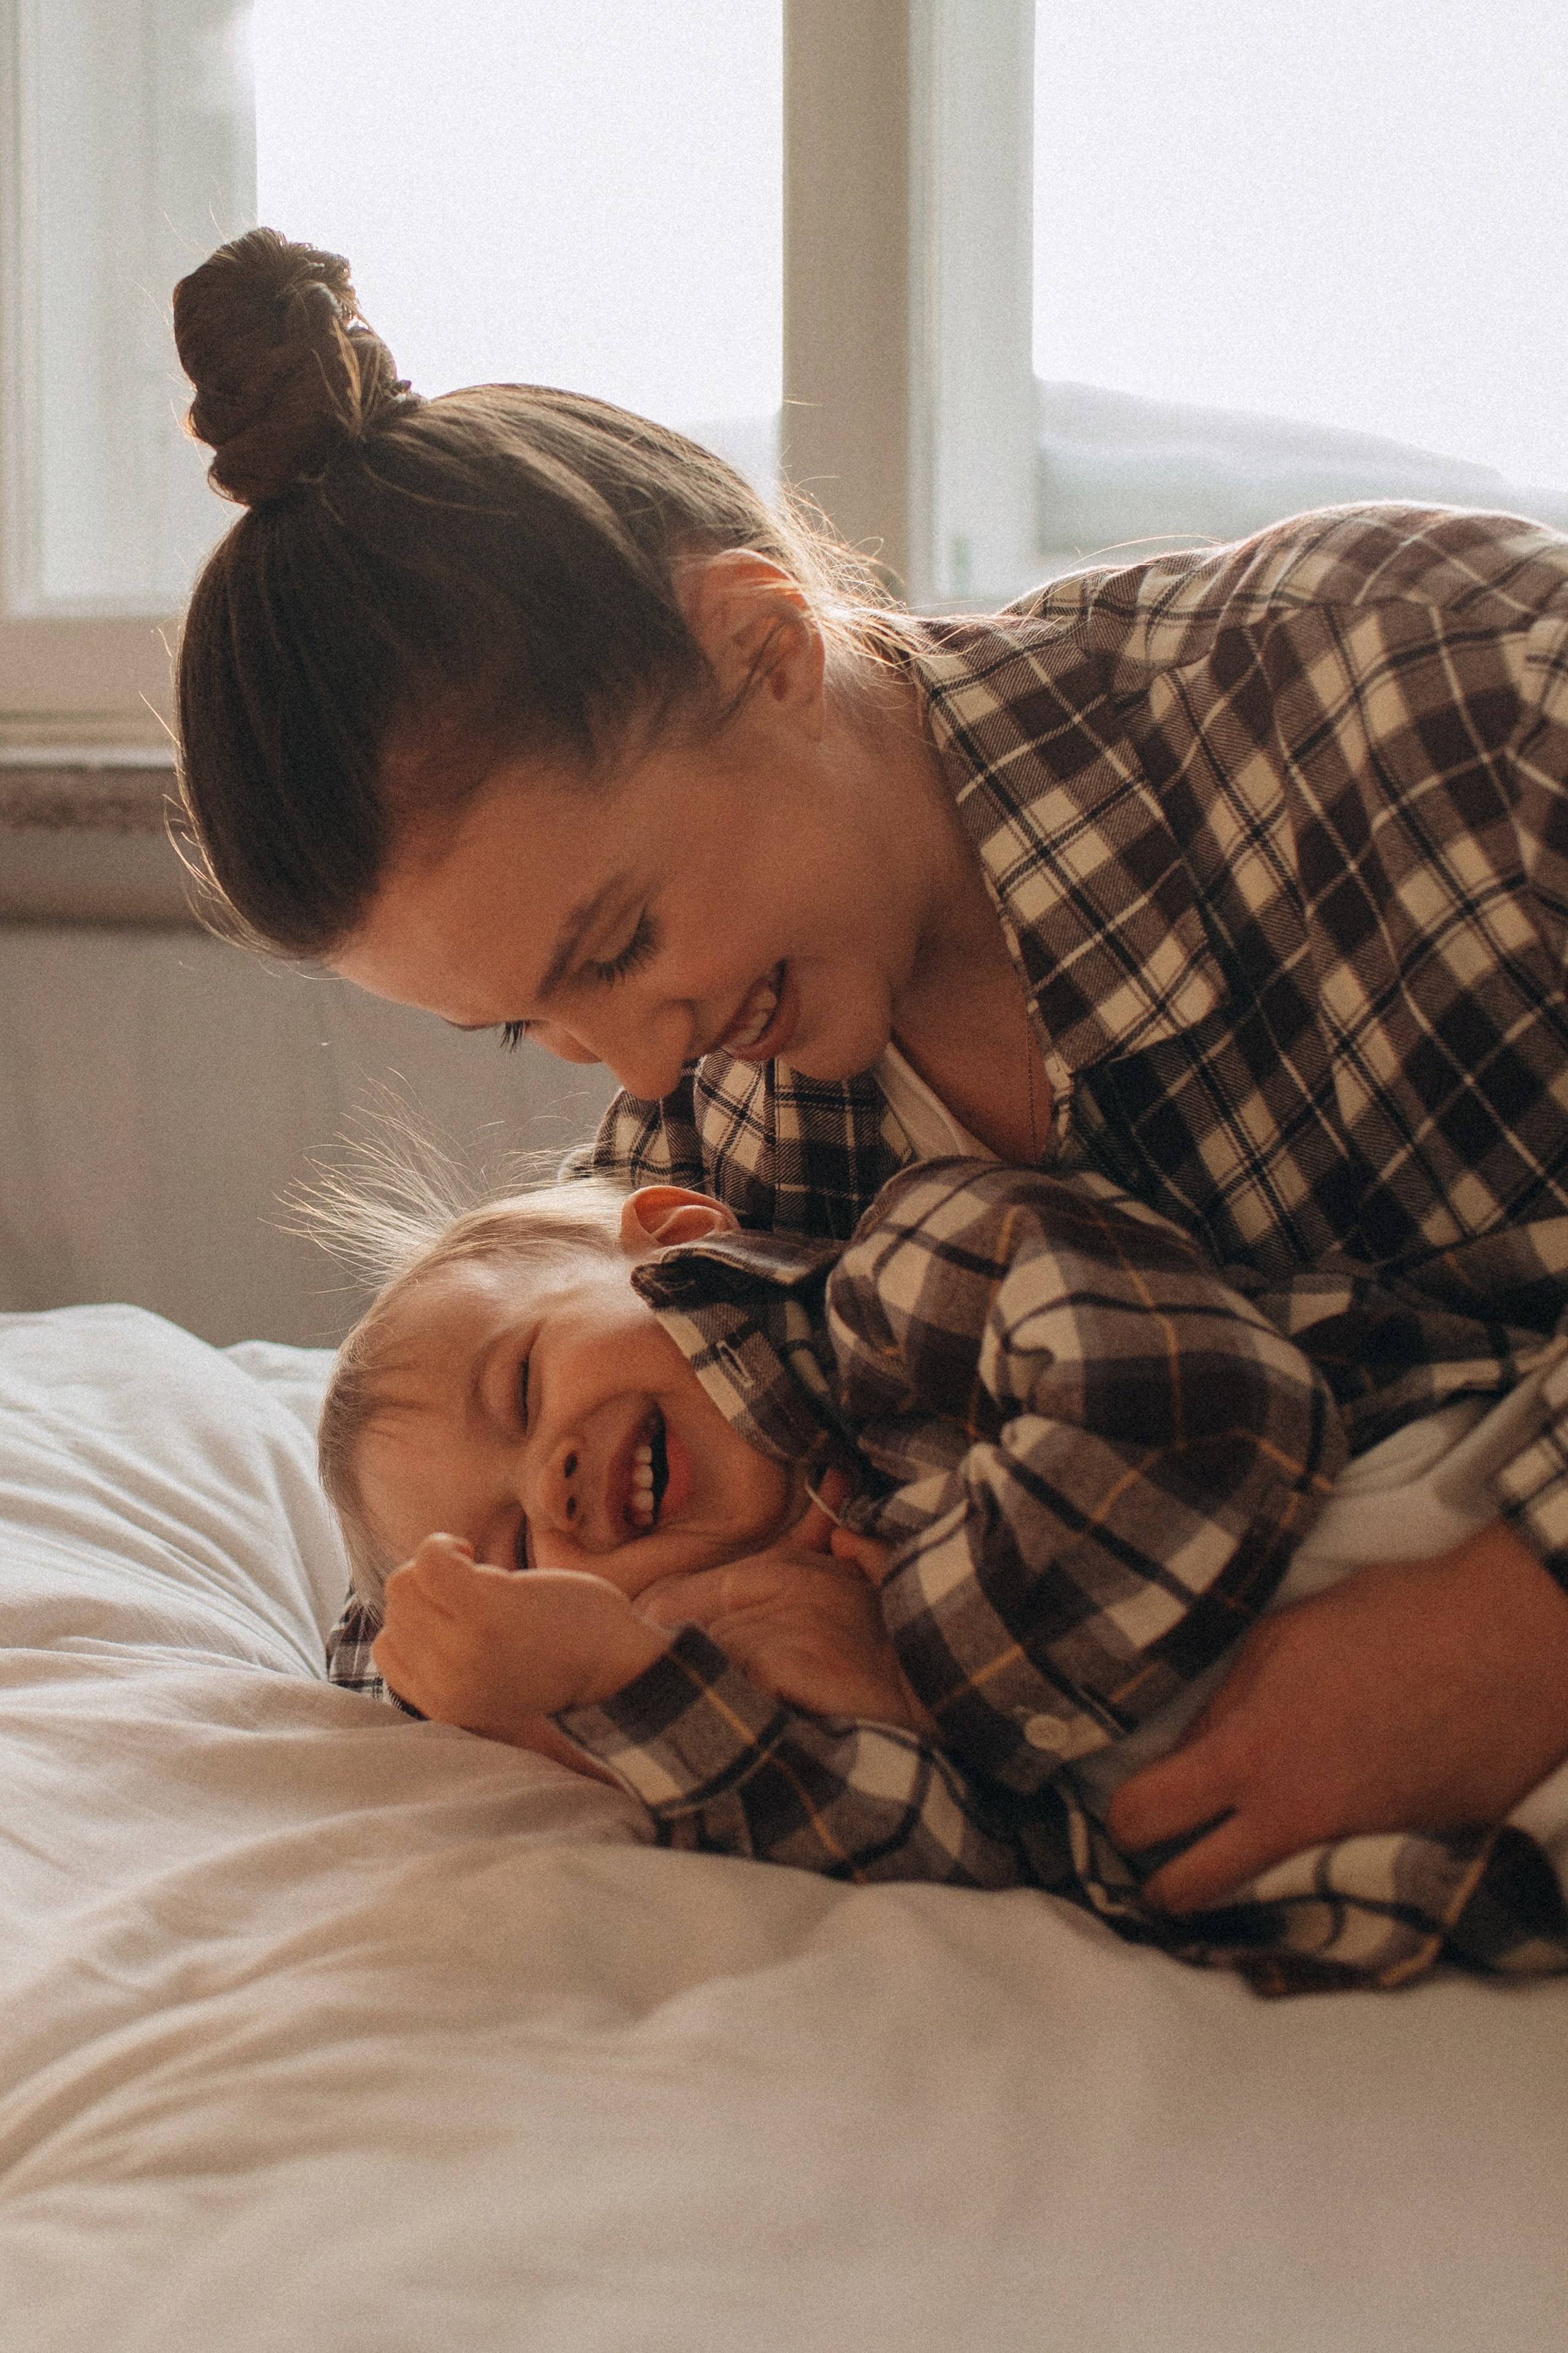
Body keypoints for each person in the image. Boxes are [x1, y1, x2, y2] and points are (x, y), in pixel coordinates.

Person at [172, 229, 1568, 1917]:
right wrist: (613, 1671)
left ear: (763, 649)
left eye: (616, 942)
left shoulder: (1431, 689)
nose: (640, 1062)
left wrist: (1517, 1623)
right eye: (534, 1022)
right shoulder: (716, 1157)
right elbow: (429, 1604)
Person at [313, 1151, 1566, 1988]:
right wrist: (606, 1685)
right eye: (514, 1547)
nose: (550, 1486)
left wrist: (904, 1658)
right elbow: (966, 1884)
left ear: (680, 1240)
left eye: (524, 1384)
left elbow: (1205, 1426)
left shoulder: (911, 1283)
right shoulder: (761, 1696)